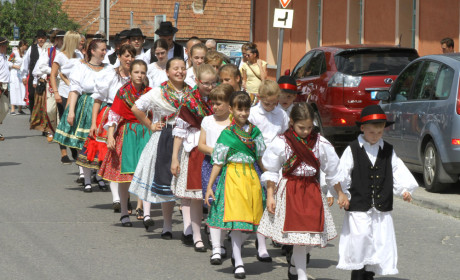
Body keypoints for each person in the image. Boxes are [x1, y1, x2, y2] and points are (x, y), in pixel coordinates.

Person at [257, 103, 348, 280]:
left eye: (309, 127)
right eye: (301, 127)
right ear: (291, 122)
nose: (306, 131)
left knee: (311, 238)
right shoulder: (282, 142)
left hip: (312, 191)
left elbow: (332, 170)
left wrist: (340, 192)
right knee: (300, 239)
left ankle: (294, 266)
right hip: (291, 190)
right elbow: (271, 170)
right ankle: (301, 276)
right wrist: (270, 195)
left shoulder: (321, 143)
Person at [337, 104, 418, 280]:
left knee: (378, 242)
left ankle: (369, 274)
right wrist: (341, 193)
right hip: (358, 204)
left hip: (381, 207)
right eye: (372, 132)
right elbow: (341, 173)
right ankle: (357, 273)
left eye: (379, 133)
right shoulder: (352, 149)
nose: (375, 136)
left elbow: (396, 170)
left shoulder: (388, 150)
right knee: (360, 239)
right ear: (362, 128)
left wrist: (404, 190)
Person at [204, 91, 266, 279]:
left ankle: (236, 253)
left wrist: (269, 178)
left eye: (246, 109)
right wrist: (209, 186)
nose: (243, 113)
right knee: (237, 222)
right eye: (240, 109)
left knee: (252, 222)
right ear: (231, 110)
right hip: (232, 178)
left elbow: (260, 159)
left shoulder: (255, 132)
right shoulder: (227, 134)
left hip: (251, 178)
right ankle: (238, 261)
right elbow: (218, 162)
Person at [128, 57, 191, 237]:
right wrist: (150, 125)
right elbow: (136, 107)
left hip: (186, 141)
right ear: (168, 72)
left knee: (185, 185)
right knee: (166, 183)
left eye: (183, 68)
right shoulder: (159, 92)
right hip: (164, 138)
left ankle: (187, 229)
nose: (180, 71)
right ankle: (167, 226)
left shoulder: (190, 92)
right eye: (176, 68)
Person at [97, 59, 153, 226]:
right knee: (125, 177)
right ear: (130, 73)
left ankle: (147, 213)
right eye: (136, 72)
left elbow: (155, 112)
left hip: (145, 132)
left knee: (146, 173)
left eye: (142, 72)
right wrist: (110, 135)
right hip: (127, 132)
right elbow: (114, 114)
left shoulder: (149, 91)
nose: (139, 75)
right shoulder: (123, 92)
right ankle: (124, 212)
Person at [77, 44, 135, 200]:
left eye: (132, 56)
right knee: (104, 152)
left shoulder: (135, 76)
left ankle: (123, 197)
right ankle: (114, 196)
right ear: (120, 57)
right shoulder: (110, 75)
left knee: (123, 156)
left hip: (129, 118)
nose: (129, 59)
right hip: (110, 114)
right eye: (126, 56)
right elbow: (98, 99)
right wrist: (93, 124)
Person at [170, 64, 217, 252]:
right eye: (206, 83)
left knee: (216, 194)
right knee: (197, 196)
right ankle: (196, 235)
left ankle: (215, 236)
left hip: (215, 147)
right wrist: (175, 157)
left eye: (213, 83)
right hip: (196, 149)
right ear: (197, 81)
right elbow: (179, 132)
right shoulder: (189, 101)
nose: (210, 87)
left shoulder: (218, 99)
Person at [53, 39, 108, 190]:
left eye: (105, 50)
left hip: (102, 106)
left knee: (100, 141)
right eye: (102, 50)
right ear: (93, 51)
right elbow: (75, 89)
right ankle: (86, 176)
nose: (104, 53)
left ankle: (98, 175)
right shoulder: (81, 67)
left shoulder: (108, 68)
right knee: (85, 141)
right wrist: (70, 111)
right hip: (85, 105)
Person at [197, 83, 233, 265]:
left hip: (231, 168)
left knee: (227, 206)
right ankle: (216, 247)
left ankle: (222, 240)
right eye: (213, 103)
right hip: (210, 166)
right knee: (213, 205)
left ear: (229, 104)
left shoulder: (234, 123)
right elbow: (201, 145)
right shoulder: (207, 120)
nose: (215, 107)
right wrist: (217, 151)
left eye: (220, 103)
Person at [50, 31, 82, 164]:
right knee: (64, 122)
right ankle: (64, 153)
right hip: (63, 92)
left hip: (76, 92)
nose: (80, 43)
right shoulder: (60, 56)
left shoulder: (79, 54)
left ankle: (74, 148)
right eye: (78, 41)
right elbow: (53, 75)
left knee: (75, 121)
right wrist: (56, 93)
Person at [30, 30, 65, 142]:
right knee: (50, 110)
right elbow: (42, 66)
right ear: (55, 39)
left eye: (63, 38)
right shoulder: (50, 51)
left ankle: (59, 133)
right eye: (59, 38)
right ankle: (53, 129)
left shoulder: (69, 52)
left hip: (65, 84)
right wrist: (56, 72)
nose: (61, 40)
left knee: (62, 109)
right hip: (51, 83)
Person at [20, 30, 48, 114]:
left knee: (44, 96)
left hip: (45, 76)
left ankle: (42, 115)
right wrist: (24, 76)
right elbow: (26, 62)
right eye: (39, 38)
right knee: (32, 95)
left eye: (42, 38)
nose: (40, 40)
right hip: (33, 76)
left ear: (45, 38)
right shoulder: (32, 48)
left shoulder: (49, 48)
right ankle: (32, 113)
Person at [8, 40, 28, 116]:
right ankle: (13, 109)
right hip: (14, 73)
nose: (26, 47)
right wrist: (15, 66)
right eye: (25, 45)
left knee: (22, 90)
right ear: (22, 45)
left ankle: (20, 108)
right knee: (14, 90)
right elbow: (9, 62)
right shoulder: (14, 53)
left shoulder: (26, 54)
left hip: (22, 74)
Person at [0, 36, 10, 141]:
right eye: (3, 45)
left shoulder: (4, 56)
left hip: (5, 85)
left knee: (6, 108)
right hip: (0, 84)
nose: (5, 47)